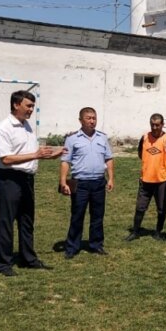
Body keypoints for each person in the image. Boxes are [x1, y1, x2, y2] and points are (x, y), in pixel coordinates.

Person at [0, 90, 64, 276]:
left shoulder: (27, 126)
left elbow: (29, 154)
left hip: (27, 179)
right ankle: (2, 263)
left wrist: (50, 155)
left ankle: (28, 258)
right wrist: (36, 154)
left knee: (26, 220)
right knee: (6, 221)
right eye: (28, 106)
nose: (31, 109)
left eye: (33, 106)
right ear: (16, 105)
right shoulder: (4, 128)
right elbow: (6, 159)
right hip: (9, 179)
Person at [60, 107, 114, 259]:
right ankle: (72, 247)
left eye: (94, 118)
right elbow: (65, 161)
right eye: (88, 118)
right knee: (77, 215)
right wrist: (63, 181)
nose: (92, 121)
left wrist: (111, 178)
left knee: (97, 216)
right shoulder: (72, 139)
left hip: (98, 182)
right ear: (80, 120)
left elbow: (108, 158)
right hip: (80, 183)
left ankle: (96, 244)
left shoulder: (102, 137)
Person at [125, 113, 166, 242]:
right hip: (146, 180)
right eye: (152, 124)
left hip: (162, 181)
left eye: (157, 125)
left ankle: (158, 232)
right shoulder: (145, 137)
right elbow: (140, 153)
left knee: (161, 209)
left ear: (162, 125)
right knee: (140, 207)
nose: (154, 127)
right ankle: (135, 232)